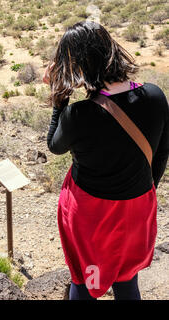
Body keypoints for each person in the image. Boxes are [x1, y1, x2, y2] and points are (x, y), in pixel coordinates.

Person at [43, 21, 168, 300]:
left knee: (87, 282)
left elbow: (54, 146)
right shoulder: (155, 97)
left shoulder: (77, 115)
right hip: (137, 210)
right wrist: (140, 191)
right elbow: (160, 156)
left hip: (91, 218)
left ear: (76, 66)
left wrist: (59, 98)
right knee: (126, 280)